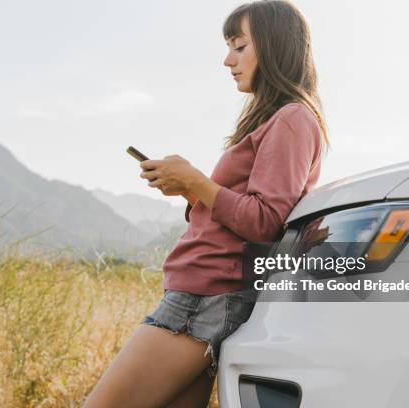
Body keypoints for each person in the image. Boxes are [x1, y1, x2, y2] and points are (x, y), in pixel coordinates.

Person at [83, 1, 328, 406]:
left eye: (239, 46)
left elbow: (265, 221)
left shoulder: (291, 119)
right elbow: (242, 211)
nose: (227, 60)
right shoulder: (277, 119)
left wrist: (196, 179)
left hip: (205, 299)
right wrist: (190, 190)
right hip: (207, 295)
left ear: (274, 46)